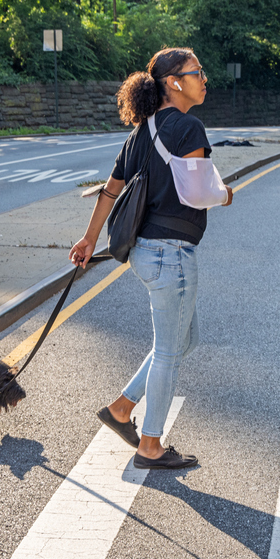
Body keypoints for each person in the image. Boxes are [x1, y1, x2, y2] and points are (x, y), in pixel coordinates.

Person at [69, 48, 233, 470]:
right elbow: (199, 193)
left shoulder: (142, 132)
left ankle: (122, 408)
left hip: (144, 252)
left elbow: (109, 190)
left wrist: (89, 239)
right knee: (168, 351)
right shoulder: (188, 127)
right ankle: (151, 446)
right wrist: (226, 194)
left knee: (183, 341)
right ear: (174, 82)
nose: (204, 79)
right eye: (197, 72)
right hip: (172, 255)